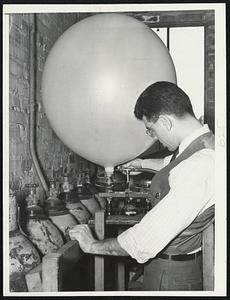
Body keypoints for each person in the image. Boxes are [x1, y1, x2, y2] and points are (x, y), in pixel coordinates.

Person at [69, 81, 214, 291]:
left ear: (165, 122)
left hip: (172, 276)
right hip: (170, 266)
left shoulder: (200, 165)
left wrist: (93, 245)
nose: (155, 138)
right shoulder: (203, 145)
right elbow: (174, 164)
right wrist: (142, 164)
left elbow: (143, 241)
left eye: (151, 129)